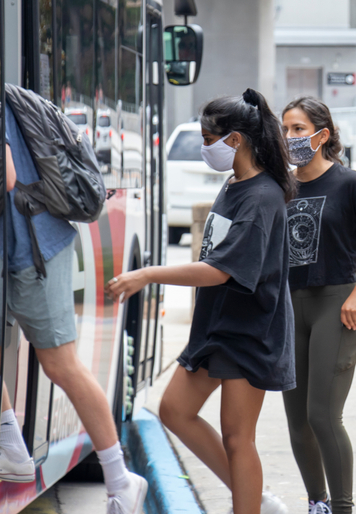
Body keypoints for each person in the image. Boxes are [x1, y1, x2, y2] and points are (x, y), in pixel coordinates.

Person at [106, 89, 295, 514]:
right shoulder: (236, 185)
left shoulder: (262, 197)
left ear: (237, 141)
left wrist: (148, 274)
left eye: (210, 139)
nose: (205, 147)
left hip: (251, 331)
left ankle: (249, 504)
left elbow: (219, 270)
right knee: (174, 409)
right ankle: (254, 497)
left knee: (236, 436)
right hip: (219, 326)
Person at [0, 96, 147, 514]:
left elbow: (5, 176)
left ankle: (119, 478)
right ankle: (14, 453)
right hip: (9, 246)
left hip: (32, 247)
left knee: (60, 364)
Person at [280, 97, 356, 514]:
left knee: (322, 416)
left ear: (322, 135)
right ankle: (316, 503)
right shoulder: (281, 188)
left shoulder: (351, 185)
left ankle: (342, 509)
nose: (290, 137)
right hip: (289, 309)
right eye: (285, 129)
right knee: (297, 421)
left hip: (335, 305)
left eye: (298, 129)